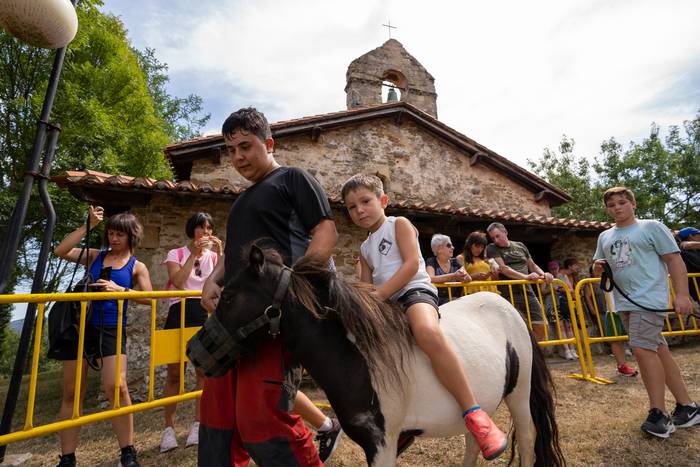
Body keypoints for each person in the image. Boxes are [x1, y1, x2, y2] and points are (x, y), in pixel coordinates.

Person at [198, 107, 341, 466]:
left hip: (274, 320)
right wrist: (212, 282)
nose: (238, 156)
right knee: (218, 418)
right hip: (232, 317)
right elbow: (232, 256)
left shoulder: (293, 179)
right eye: (231, 150)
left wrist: (297, 287)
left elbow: (325, 232)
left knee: (262, 417)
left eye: (246, 146)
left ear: (269, 143)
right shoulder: (241, 201)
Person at [341, 174, 507, 461]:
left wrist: (378, 296)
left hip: (413, 291)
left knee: (426, 332)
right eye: (352, 207)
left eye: (365, 201)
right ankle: (395, 415)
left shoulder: (399, 225)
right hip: (386, 303)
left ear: (383, 201)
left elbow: (410, 265)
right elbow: (367, 286)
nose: (359, 211)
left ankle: (475, 413)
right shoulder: (365, 249)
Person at [592, 186, 699, 437]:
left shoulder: (651, 227)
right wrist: (597, 267)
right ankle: (688, 408)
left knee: (641, 349)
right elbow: (600, 266)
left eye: (622, 202)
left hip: (649, 299)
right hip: (624, 302)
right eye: (611, 205)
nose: (617, 208)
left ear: (633, 203)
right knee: (657, 350)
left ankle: (659, 414)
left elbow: (674, 259)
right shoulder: (604, 236)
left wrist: (682, 294)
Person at [53, 207, 153, 467]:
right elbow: (60, 251)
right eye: (110, 233)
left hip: (111, 328)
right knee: (72, 391)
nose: (114, 239)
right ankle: (67, 458)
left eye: (119, 234)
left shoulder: (137, 266)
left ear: (131, 236)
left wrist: (119, 289)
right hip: (80, 327)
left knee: (117, 388)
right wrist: (87, 226)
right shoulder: (95, 255)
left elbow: (149, 299)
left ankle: (128, 452)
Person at [159, 212, 223, 452]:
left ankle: (198, 425)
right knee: (174, 374)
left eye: (209, 228)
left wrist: (221, 253)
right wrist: (194, 255)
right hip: (179, 312)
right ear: (191, 230)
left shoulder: (216, 257)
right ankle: (168, 429)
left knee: (202, 373)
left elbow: (224, 283)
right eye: (201, 228)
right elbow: (178, 282)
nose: (206, 233)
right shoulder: (175, 254)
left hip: (204, 313)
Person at [485, 222, 552, 341]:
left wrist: (544, 274)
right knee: (516, 330)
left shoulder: (520, 245)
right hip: (509, 294)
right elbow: (504, 269)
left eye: (497, 236)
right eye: (493, 238)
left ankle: (532, 355)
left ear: (505, 232)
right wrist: (526, 277)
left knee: (542, 325)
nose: (495, 240)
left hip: (528, 292)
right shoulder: (491, 248)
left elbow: (532, 265)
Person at [583, 265, 637, 377]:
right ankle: (622, 366)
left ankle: (646, 363)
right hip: (613, 309)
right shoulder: (604, 269)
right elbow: (596, 269)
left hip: (631, 307)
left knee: (638, 338)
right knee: (616, 340)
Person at [540, 261, 577, 360]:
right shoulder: (545, 278)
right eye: (552, 269)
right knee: (560, 327)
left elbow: (571, 290)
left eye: (555, 268)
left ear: (558, 268)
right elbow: (542, 291)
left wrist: (563, 289)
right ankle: (566, 351)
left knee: (569, 327)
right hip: (553, 304)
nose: (554, 270)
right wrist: (553, 289)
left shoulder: (563, 277)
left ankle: (573, 349)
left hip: (564, 304)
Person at [425, 234, 468, 305]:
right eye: (449, 245)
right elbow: (431, 278)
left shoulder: (456, 261)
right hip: (438, 303)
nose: (453, 247)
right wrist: (454, 276)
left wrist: (464, 276)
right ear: (439, 249)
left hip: (455, 301)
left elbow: (468, 278)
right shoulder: (431, 261)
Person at [677, 227, 700, 302]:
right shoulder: (683, 245)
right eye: (698, 234)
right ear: (690, 236)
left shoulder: (696, 250)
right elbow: (687, 245)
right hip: (695, 286)